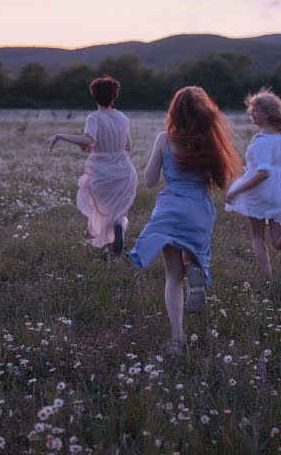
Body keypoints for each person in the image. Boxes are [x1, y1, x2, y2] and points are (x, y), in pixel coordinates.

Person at [126, 86, 241, 354]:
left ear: (174, 112)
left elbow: (151, 180)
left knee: (172, 276)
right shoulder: (210, 141)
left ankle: (177, 338)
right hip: (199, 210)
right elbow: (221, 182)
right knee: (191, 250)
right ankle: (195, 269)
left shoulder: (164, 140)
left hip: (170, 210)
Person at [225, 88, 281, 283]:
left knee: (258, 238)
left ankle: (267, 280)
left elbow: (263, 172)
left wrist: (237, 190)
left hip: (261, 192)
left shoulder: (261, 142)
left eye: (255, 110)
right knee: (277, 241)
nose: (251, 113)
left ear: (267, 114)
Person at [45, 75, 138, 255]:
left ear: (94, 96)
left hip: (101, 172)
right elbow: (128, 146)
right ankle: (118, 237)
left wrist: (60, 136)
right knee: (119, 215)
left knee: (104, 214)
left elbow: (89, 139)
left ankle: (113, 253)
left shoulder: (94, 117)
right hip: (124, 170)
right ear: (114, 96)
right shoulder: (123, 118)